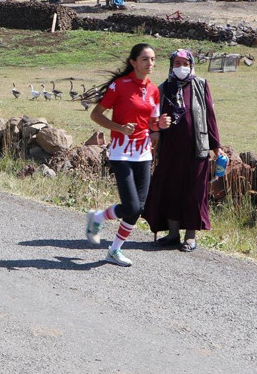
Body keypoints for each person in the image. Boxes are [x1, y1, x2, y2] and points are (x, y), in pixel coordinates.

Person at [85, 43, 171, 266]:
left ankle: (113, 250)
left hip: (143, 153)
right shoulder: (119, 86)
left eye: (152, 59)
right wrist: (119, 127)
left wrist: (159, 125)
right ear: (133, 62)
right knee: (132, 206)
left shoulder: (153, 90)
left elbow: (152, 123)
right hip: (121, 152)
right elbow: (96, 115)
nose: (150, 63)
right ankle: (97, 218)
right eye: (144, 59)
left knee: (138, 208)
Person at [143, 49, 223, 252]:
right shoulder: (163, 88)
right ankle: (172, 235)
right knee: (171, 191)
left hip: (197, 149)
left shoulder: (201, 84)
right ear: (171, 65)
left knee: (194, 193)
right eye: (177, 63)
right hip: (170, 150)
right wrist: (158, 127)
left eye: (185, 63)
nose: (181, 67)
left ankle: (190, 237)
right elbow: (152, 120)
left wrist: (216, 146)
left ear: (191, 64)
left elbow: (210, 116)